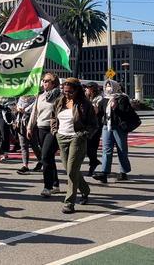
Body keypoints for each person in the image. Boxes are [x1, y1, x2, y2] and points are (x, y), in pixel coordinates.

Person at [51, 78, 97, 214]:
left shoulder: (85, 104)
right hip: (61, 137)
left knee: (71, 170)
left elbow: (94, 125)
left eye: (70, 92)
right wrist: (54, 131)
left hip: (77, 138)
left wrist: (83, 134)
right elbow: (53, 117)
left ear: (77, 90)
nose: (67, 94)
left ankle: (69, 203)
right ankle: (85, 190)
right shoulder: (59, 101)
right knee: (70, 170)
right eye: (64, 92)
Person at [93, 80, 135, 183]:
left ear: (115, 87)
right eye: (106, 86)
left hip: (119, 127)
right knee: (106, 150)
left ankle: (123, 171)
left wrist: (116, 107)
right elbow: (100, 113)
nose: (108, 88)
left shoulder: (122, 98)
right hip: (106, 127)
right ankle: (104, 173)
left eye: (110, 86)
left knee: (122, 150)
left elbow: (125, 113)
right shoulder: (104, 99)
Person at [27, 73, 61, 197]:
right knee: (49, 157)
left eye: (47, 81)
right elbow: (34, 112)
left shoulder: (59, 96)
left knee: (45, 155)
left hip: (53, 129)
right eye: (43, 81)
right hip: (41, 128)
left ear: (53, 83)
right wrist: (29, 127)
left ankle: (48, 186)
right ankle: (56, 183)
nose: (44, 83)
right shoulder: (40, 96)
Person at [16, 95, 42, 174]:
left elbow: (34, 110)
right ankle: (25, 165)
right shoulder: (20, 98)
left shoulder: (35, 99)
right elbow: (17, 106)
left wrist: (25, 110)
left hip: (31, 123)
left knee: (34, 144)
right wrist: (18, 109)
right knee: (23, 145)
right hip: (21, 123)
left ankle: (41, 160)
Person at [85, 82, 103, 176]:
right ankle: (94, 161)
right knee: (87, 147)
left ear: (93, 89)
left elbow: (96, 111)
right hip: (87, 125)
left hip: (96, 126)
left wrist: (88, 103)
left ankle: (92, 166)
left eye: (88, 88)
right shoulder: (85, 97)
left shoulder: (99, 98)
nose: (86, 90)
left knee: (92, 147)